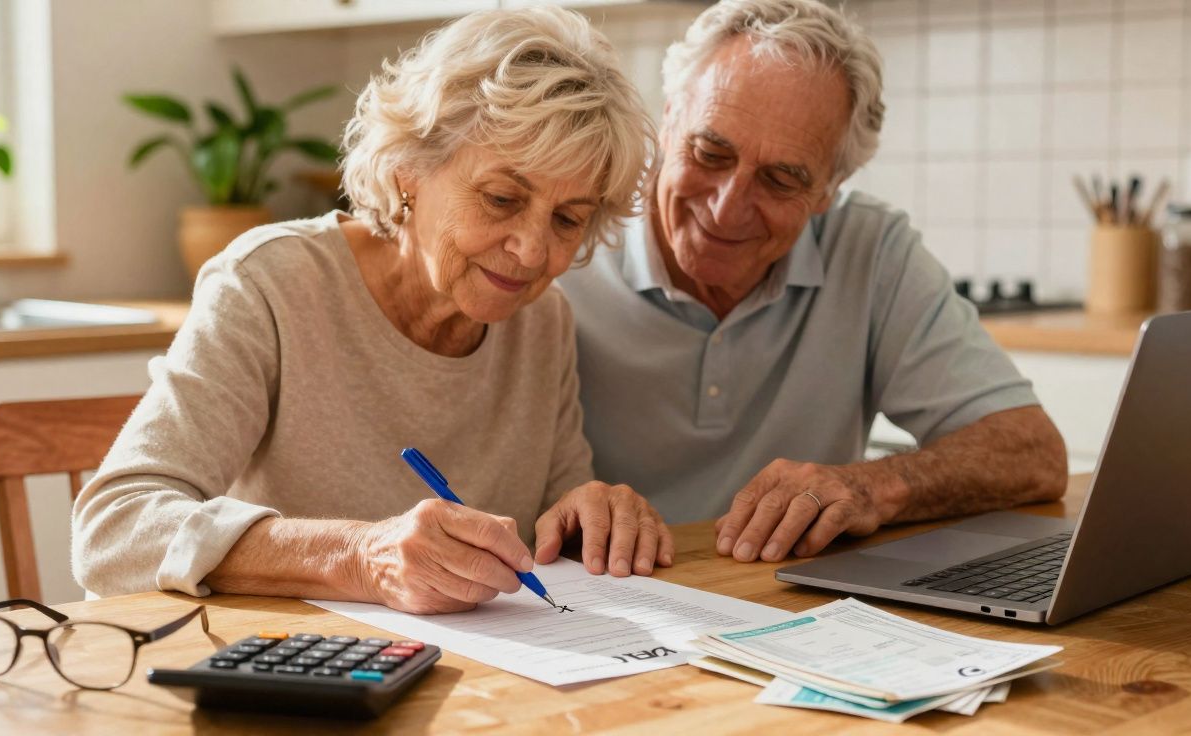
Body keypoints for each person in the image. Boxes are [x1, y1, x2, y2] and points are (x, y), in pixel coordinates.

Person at [72, 7, 672, 615]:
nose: (532, 250)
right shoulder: (270, 282)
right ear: (409, 168)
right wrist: (360, 555)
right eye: (501, 198)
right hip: (288, 676)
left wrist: (590, 515)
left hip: (475, 682)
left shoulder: (543, 320)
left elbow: (555, 519)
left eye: (568, 218)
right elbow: (114, 530)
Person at [558, 0, 1068, 566]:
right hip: (606, 604)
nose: (728, 209)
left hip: (791, 608)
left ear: (830, 188)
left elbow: (1034, 453)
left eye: (781, 180)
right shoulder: (563, 234)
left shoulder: (870, 251)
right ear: (668, 118)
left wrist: (870, 487)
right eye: (710, 151)